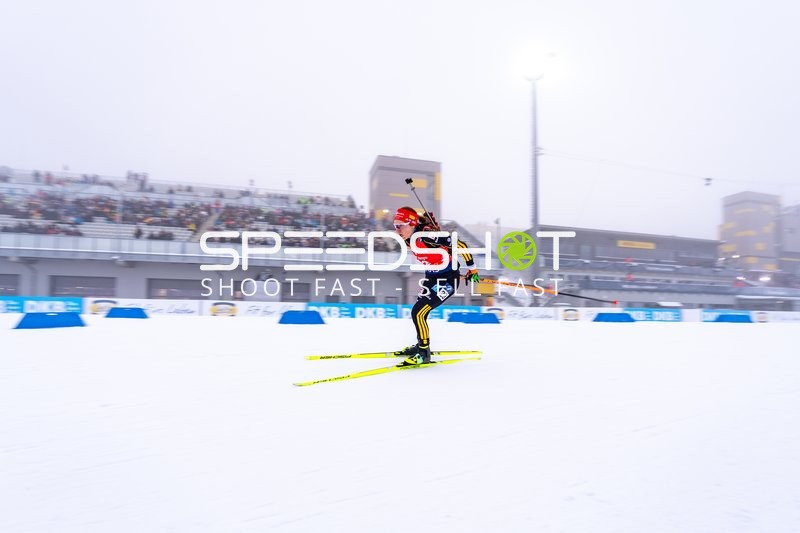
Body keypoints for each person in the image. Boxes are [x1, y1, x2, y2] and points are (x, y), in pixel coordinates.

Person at [392, 206, 480, 366]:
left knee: (417, 312)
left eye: (400, 225)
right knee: (420, 312)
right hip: (432, 278)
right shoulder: (408, 237)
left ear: (411, 223)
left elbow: (461, 245)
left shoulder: (426, 236)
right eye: (395, 226)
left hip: (447, 280)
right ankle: (421, 345)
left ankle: (424, 353)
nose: (397, 230)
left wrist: (471, 268)